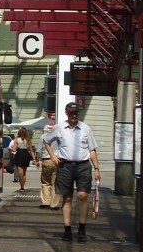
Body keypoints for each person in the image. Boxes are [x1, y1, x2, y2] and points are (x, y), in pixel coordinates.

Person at [42, 101, 101, 243]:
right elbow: (46, 140)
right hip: (65, 166)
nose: (74, 115)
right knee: (67, 197)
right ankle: (67, 230)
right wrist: (53, 156)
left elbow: (92, 149)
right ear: (66, 112)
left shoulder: (85, 128)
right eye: (71, 112)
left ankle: (82, 229)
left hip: (83, 165)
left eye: (76, 112)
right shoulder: (59, 128)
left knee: (82, 195)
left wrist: (96, 168)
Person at [38, 120, 61, 209]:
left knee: (45, 182)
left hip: (46, 160)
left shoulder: (43, 136)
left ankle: (45, 202)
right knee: (55, 182)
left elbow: (39, 150)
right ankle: (54, 204)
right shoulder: (59, 137)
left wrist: (36, 160)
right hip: (57, 160)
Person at [10, 125, 38, 191]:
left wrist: (11, 149)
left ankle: (21, 186)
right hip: (26, 154)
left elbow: (14, 149)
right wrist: (34, 159)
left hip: (19, 154)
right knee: (24, 172)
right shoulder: (28, 140)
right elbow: (31, 150)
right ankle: (23, 186)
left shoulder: (16, 139)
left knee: (20, 171)